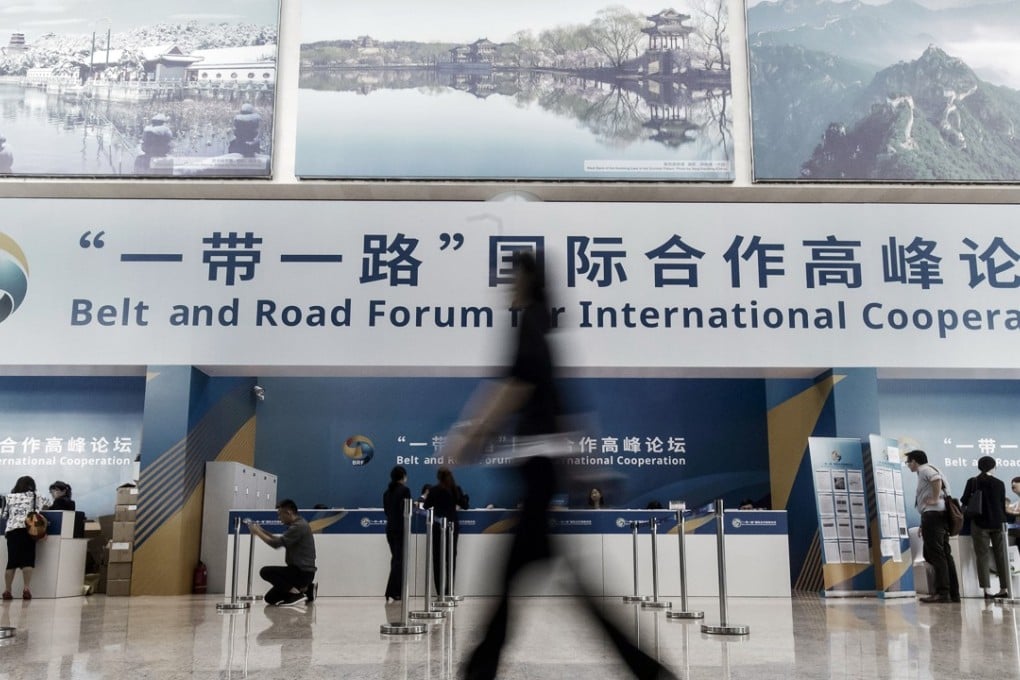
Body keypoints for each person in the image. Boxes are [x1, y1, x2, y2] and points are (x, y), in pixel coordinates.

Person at [444, 251, 676, 680]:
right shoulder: (543, 330)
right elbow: (565, 408)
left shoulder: (529, 323)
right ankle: (645, 669)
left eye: (511, 279)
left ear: (528, 281)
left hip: (537, 468)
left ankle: (479, 670)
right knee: (545, 576)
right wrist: (586, 469)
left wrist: (469, 432)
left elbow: (514, 387)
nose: (506, 288)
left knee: (517, 575)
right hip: (541, 468)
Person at [905, 450, 960, 603]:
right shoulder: (934, 468)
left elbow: (936, 480)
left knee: (935, 554)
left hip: (933, 516)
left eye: (908, 462)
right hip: (938, 516)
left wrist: (934, 499)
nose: (908, 465)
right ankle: (953, 592)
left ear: (915, 461)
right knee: (944, 554)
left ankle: (942, 592)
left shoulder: (925, 470)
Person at [247, 499, 317, 607]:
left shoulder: (298, 527)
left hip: (301, 572)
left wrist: (257, 532)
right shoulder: (298, 524)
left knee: (265, 571)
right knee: (270, 598)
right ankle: (307, 589)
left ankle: (296, 594)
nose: (279, 518)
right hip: (300, 572)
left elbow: (275, 544)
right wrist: (262, 530)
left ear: (288, 513)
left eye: (280, 515)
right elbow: (279, 539)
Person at [961, 456, 1010, 599]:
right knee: (1001, 557)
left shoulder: (973, 481)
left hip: (980, 523)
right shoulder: (1000, 483)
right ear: (993, 467)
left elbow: (964, 500)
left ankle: (987, 590)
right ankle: (1004, 588)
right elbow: (1002, 504)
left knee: (982, 556)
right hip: (998, 523)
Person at [422, 466, 468, 596]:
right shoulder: (455, 489)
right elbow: (465, 505)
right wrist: (465, 497)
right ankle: (450, 591)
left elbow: (426, 506)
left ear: (438, 477)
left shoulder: (434, 490)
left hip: (437, 526)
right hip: (452, 525)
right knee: (451, 558)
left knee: (437, 558)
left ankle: (440, 591)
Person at [2, 476, 43, 600]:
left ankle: (7, 590)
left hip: (12, 531)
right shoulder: (36, 496)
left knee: (11, 562)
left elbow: (4, 515)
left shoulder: (8, 497)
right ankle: (26, 588)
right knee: (28, 560)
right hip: (28, 529)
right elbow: (39, 511)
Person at [383, 465, 411, 602]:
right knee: (399, 560)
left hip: (390, 529)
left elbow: (387, 511)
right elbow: (406, 511)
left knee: (396, 559)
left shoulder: (387, 493)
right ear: (403, 476)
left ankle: (394, 590)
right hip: (401, 529)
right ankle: (392, 591)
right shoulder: (405, 491)